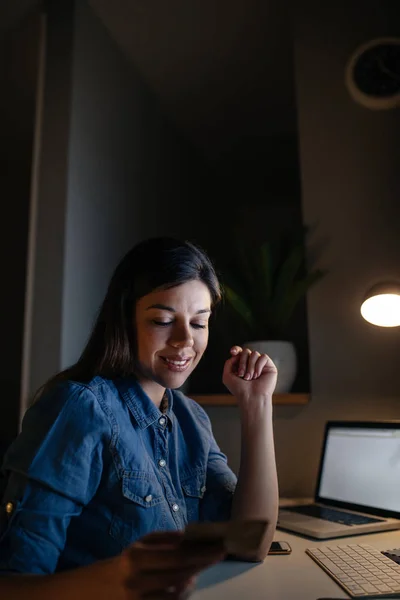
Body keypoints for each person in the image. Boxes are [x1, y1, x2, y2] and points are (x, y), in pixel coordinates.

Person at [0, 237, 278, 593]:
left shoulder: (192, 419)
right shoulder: (79, 409)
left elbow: (251, 544)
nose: (184, 341)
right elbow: (15, 584)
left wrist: (256, 404)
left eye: (198, 323)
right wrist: (119, 577)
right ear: (125, 320)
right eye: (163, 320)